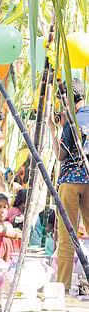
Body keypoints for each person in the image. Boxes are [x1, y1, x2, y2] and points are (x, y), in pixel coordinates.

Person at [48, 78, 89, 291]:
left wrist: (53, 129)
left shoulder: (71, 120)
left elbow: (61, 155)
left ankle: (62, 287)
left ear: (66, 99)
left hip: (71, 182)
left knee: (67, 235)